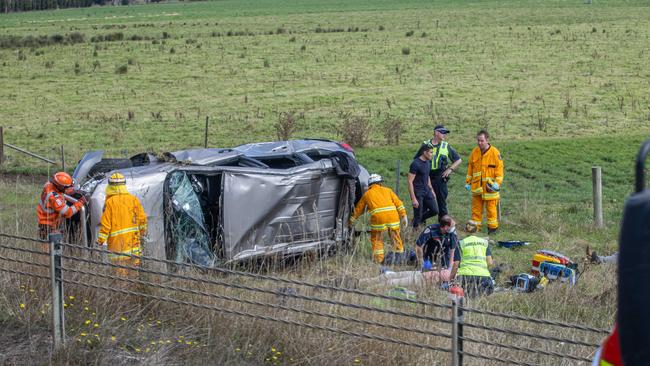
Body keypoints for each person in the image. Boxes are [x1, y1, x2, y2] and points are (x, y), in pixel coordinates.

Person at [349, 173, 408, 264]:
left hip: (378, 219)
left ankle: (379, 260)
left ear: (370, 185)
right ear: (380, 183)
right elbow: (398, 203)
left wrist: (351, 221)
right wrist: (404, 216)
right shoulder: (388, 190)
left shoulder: (367, 194)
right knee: (395, 236)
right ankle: (399, 257)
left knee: (377, 239)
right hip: (393, 217)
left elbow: (358, 209)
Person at [97, 172, 148, 275]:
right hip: (134, 244)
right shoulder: (133, 200)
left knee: (120, 277)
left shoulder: (110, 203)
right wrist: (142, 234)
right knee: (134, 275)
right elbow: (142, 220)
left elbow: (106, 225)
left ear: (110, 186)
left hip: (117, 247)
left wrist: (100, 241)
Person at [465, 130, 504, 234]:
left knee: (491, 210)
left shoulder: (495, 153)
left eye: (481, 140)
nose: (479, 143)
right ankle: (475, 229)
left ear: (487, 140)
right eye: (478, 140)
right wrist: (468, 182)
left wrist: (497, 183)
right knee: (476, 210)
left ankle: (493, 229)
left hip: (490, 188)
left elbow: (500, 171)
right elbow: (470, 168)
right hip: (477, 188)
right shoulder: (474, 152)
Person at [425, 125, 462, 219]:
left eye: (445, 133)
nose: (444, 135)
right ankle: (420, 225)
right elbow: (417, 160)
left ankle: (444, 227)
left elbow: (458, 160)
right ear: (436, 133)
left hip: (440, 178)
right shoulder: (425, 144)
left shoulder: (446, 145)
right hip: (426, 177)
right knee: (424, 202)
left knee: (442, 204)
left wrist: (450, 169)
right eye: (443, 132)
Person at [37, 172, 86, 240]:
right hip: (49, 226)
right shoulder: (54, 198)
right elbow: (67, 212)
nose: (68, 188)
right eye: (66, 187)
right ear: (60, 186)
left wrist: (69, 191)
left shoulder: (49, 185)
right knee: (50, 248)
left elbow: (58, 191)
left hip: (45, 223)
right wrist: (80, 203)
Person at [449, 227, 494, 297]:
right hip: (483, 277)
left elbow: (456, 264)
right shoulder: (484, 242)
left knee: (463, 294)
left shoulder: (461, 243)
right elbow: (490, 263)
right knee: (485, 292)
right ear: (477, 230)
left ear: (465, 231)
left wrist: (451, 279)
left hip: (464, 277)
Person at [414, 215, 458, 281]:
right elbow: (418, 245)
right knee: (426, 271)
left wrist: (450, 267)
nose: (453, 228)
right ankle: (413, 257)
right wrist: (421, 260)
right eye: (452, 226)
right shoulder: (431, 229)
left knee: (444, 272)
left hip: (444, 255)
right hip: (429, 255)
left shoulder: (452, 233)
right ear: (446, 227)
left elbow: (453, 251)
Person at [408, 143, 438, 229]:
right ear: (424, 152)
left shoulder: (428, 162)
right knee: (418, 214)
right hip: (418, 192)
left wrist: (432, 190)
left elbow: (427, 176)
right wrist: (413, 198)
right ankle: (414, 233)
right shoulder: (415, 164)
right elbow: (410, 181)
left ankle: (418, 220)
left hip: (427, 191)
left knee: (435, 210)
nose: (432, 154)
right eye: (431, 152)